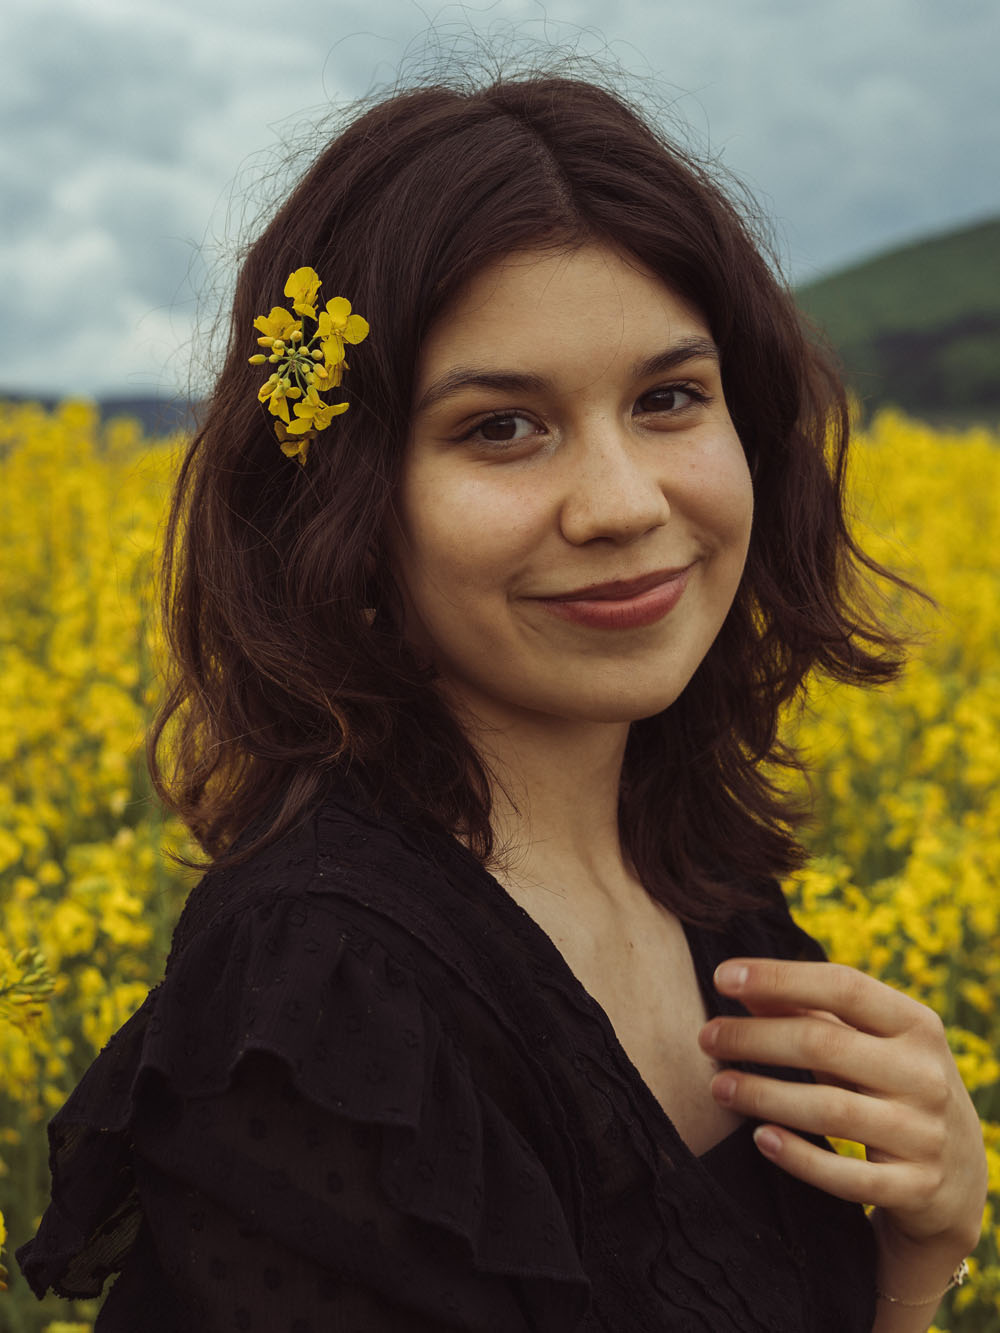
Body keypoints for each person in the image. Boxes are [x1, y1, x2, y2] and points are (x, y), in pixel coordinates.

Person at [17, 71, 986, 1332]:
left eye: (668, 399)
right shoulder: (324, 1010)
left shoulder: (704, 889)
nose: (623, 503)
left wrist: (921, 1252)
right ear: (345, 508)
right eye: (501, 428)